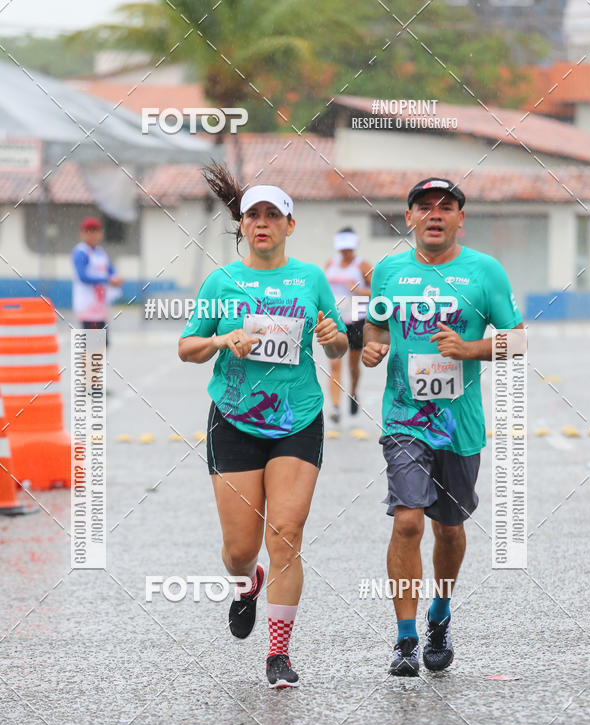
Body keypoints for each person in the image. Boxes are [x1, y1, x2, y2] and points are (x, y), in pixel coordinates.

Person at [178, 164, 348, 688]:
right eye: (254, 214)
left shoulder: (311, 279)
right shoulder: (221, 281)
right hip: (234, 420)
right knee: (240, 548)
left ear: (289, 226)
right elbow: (187, 348)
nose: (263, 223)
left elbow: (340, 343)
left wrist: (331, 337)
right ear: (243, 225)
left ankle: (279, 655)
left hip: (298, 418)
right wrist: (221, 341)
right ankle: (245, 581)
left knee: (286, 534)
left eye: (274, 214)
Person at [362, 177, 525, 676]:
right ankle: (406, 640)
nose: (435, 214)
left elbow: (517, 342)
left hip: (461, 424)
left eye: (446, 207)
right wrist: (373, 345)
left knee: (449, 530)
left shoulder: (485, 272)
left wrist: (471, 349)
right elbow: (374, 323)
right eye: (424, 206)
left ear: (460, 219)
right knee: (408, 519)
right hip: (404, 418)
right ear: (408, 217)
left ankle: (439, 614)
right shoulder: (389, 271)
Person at [324, 228, 372, 422]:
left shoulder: (363, 266)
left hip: (357, 319)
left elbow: (380, 290)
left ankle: (353, 392)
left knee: (353, 366)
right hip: (336, 319)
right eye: (342, 249)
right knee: (334, 363)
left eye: (349, 249)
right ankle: (335, 407)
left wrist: (359, 291)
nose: (346, 252)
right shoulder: (330, 264)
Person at [71, 216, 124, 343]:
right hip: (88, 306)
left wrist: (116, 277)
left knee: (102, 344)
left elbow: (110, 270)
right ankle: (86, 363)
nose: (92, 235)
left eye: (95, 231)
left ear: (101, 233)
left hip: (100, 306)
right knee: (91, 345)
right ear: (82, 234)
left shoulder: (100, 252)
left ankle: (94, 363)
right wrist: (108, 280)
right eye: (88, 232)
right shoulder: (81, 252)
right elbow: (83, 277)